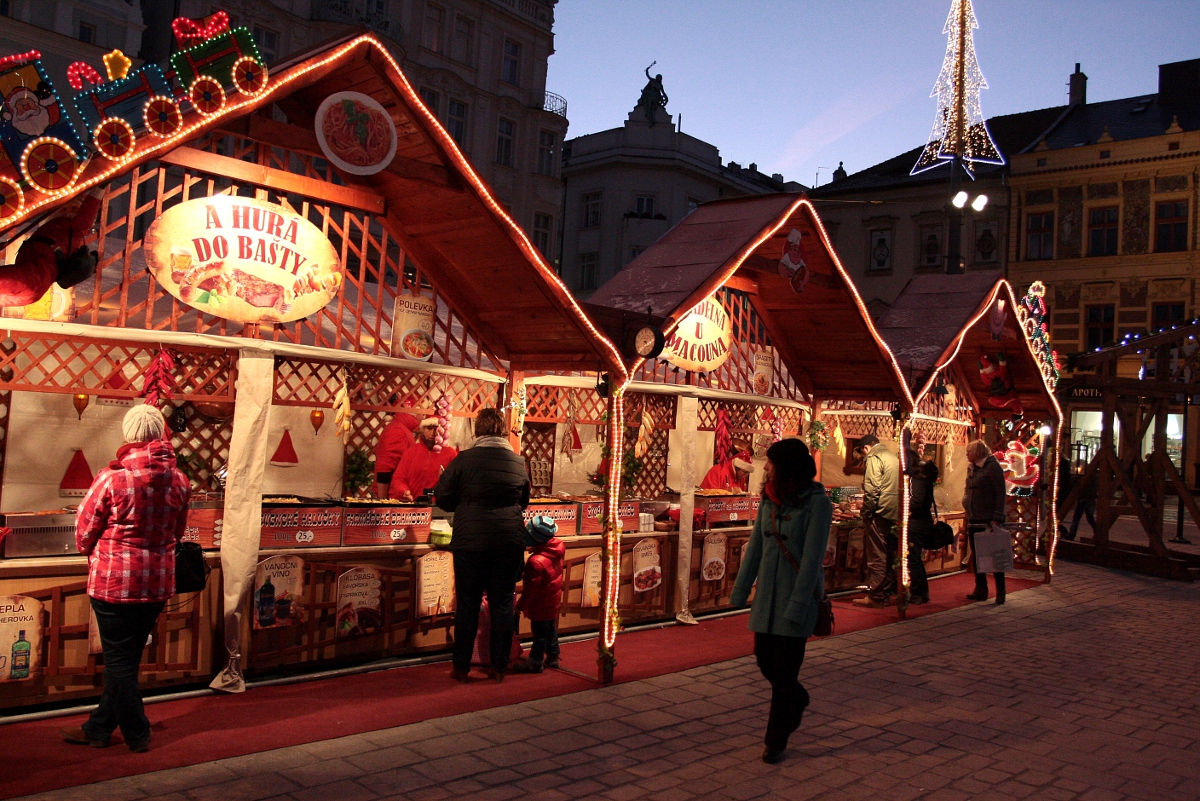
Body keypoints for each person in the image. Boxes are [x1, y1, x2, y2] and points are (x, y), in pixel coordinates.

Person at [61, 405, 191, 752]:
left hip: (113, 583)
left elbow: (83, 532)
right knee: (128, 660)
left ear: (129, 435)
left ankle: (137, 733)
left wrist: (96, 550)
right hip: (158, 583)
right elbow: (178, 532)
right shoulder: (179, 479)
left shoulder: (111, 478)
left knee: (118, 663)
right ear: (161, 434)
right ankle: (98, 729)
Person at [730, 438, 831, 765]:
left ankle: (776, 741)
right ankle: (798, 698)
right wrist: (740, 590)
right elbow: (756, 548)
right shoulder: (769, 500)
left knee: (785, 673)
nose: (765, 467)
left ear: (785, 467)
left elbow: (813, 560)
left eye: (771, 462)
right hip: (767, 599)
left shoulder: (818, 504)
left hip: (796, 598)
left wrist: (800, 605)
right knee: (764, 659)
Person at [433, 408, 529, 682]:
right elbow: (523, 500)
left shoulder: (464, 460)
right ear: (501, 430)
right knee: (502, 605)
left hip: (470, 543)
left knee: (468, 604)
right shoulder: (517, 462)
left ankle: (461, 667)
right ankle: (499, 667)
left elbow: (442, 496)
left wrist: (463, 506)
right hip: (508, 542)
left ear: (478, 430)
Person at [511, 515, 565, 674]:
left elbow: (531, 590)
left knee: (540, 633)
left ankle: (535, 662)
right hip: (553, 597)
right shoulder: (557, 548)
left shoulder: (536, 562)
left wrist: (519, 606)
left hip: (541, 602)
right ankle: (553, 656)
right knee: (550, 629)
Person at [853, 434, 900, 608]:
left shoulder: (874, 457)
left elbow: (872, 489)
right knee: (889, 554)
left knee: (877, 555)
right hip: (893, 511)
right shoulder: (893, 456)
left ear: (866, 448)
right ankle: (886, 591)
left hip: (880, 512)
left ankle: (877, 595)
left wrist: (866, 511)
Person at [963, 439, 1008, 604]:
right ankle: (981, 588)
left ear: (978, 452)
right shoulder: (973, 468)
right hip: (973, 518)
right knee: (977, 557)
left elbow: (1000, 493)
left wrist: (997, 517)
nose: (967, 454)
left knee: (995, 556)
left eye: (969, 452)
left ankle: (1001, 591)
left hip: (987, 520)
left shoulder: (992, 467)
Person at [389, 416, 458, 501]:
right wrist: (404, 491)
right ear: (423, 430)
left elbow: (457, 482)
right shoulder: (411, 452)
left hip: (438, 508)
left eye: (436, 429)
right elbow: (399, 478)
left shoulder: (451, 454)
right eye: (429, 428)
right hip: (413, 505)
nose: (433, 433)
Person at [907, 460, 939, 605]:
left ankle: (917, 592)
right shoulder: (925, 480)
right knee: (915, 558)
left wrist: (904, 502)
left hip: (916, 523)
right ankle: (922, 592)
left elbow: (917, 502)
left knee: (914, 559)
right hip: (922, 521)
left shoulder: (918, 480)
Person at [373, 408, 419, 497]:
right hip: (393, 495)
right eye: (422, 413)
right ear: (415, 413)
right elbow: (385, 466)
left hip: (398, 493)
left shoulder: (402, 428)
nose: (423, 416)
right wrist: (383, 501)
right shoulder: (398, 431)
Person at [1066, 460, 1098, 541]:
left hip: (1083, 498)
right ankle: (1097, 530)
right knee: (1090, 517)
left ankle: (1072, 534)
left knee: (1076, 518)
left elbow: (1077, 484)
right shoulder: (1095, 476)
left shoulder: (1085, 476)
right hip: (1091, 499)